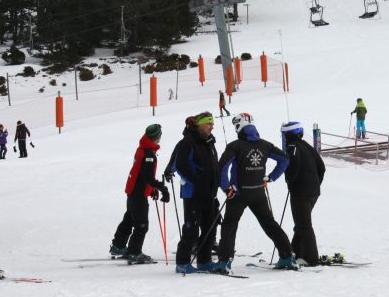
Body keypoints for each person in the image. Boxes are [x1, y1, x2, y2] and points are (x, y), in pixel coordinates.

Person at [213, 112, 295, 273]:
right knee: (269, 224)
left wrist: (226, 188)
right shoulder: (265, 145)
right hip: (258, 193)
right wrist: (271, 178)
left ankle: (224, 262)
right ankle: (287, 256)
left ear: (239, 126)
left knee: (229, 227)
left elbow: (221, 168)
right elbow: (284, 159)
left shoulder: (235, 146)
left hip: (237, 194)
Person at [165, 112, 221, 274]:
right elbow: (181, 165)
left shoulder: (209, 142)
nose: (212, 127)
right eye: (209, 124)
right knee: (191, 228)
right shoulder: (187, 142)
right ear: (200, 125)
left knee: (210, 227)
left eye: (212, 124)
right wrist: (198, 182)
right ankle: (182, 262)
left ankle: (204, 261)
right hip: (193, 193)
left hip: (210, 193)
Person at [110, 124, 170, 264]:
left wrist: (152, 190)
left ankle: (118, 246)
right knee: (141, 224)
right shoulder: (148, 153)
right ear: (157, 137)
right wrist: (161, 188)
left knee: (130, 219)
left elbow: (142, 174)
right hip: (138, 193)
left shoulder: (143, 148)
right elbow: (147, 177)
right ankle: (134, 252)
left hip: (133, 190)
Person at [281, 121, 326, 267]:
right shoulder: (308, 146)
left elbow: (294, 165)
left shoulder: (292, 147)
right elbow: (322, 167)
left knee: (304, 225)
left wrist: (290, 181)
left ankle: (311, 258)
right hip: (313, 192)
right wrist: (315, 184)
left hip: (300, 192)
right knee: (301, 224)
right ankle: (295, 253)